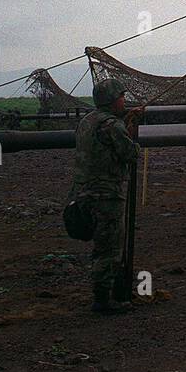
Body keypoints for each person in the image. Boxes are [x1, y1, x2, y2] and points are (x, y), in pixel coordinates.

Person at [67, 79, 139, 314]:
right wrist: (131, 136)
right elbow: (130, 153)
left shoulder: (87, 121)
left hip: (83, 192)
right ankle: (103, 300)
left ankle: (108, 293)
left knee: (102, 243)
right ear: (111, 99)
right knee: (109, 246)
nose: (123, 100)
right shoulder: (112, 126)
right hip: (107, 195)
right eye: (121, 96)